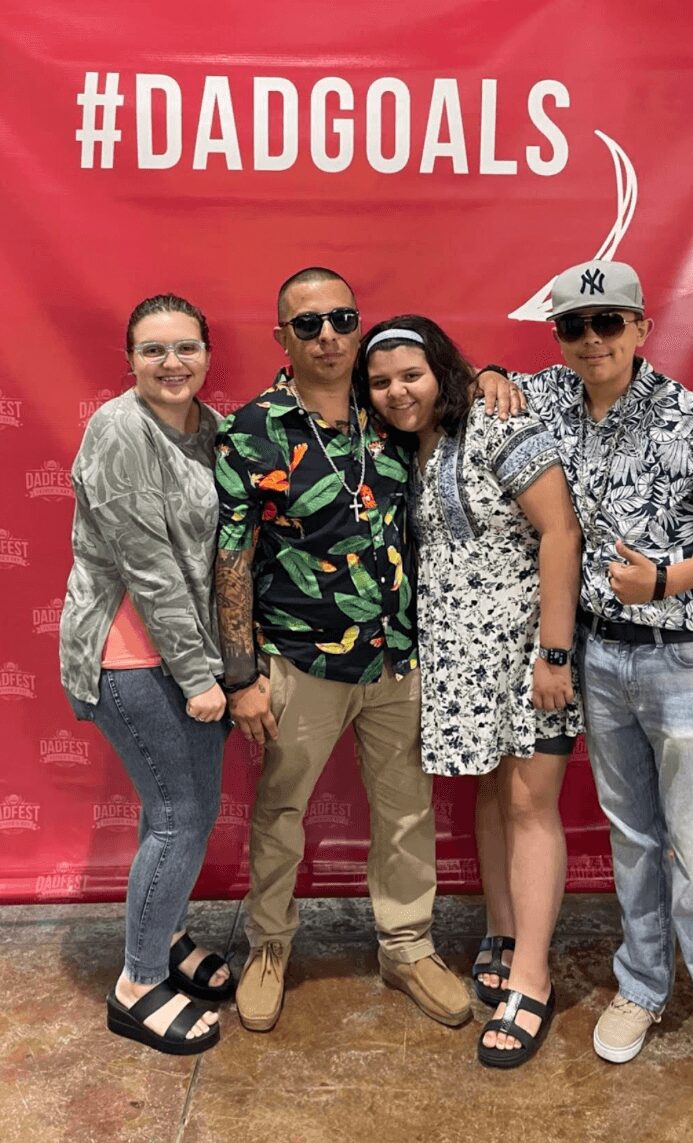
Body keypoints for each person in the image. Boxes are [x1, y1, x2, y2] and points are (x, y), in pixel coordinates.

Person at [213, 267, 519, 1034]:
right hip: (300, 659)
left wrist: (488, 373)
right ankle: (269, 946)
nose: (327, 335)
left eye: (341, 319)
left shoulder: (388, 408)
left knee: (406, 811)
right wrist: (242, 673)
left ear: (358, 326)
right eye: (307, 324)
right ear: (281, 337)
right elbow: (231, 557)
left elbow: (449, 386)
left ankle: (406, 946)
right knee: (281, 809)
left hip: (397, 654)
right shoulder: (253, 430)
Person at [514, 260, 693, 1112]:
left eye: (607, 322)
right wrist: (483, 376)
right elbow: (480, 381)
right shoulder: (550, 399)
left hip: (684, 656)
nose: (590, 339)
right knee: (631, 834)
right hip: (600, 657)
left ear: (639, 327)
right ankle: (641, 982)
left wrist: (667, 578)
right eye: (573, 325)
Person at [358, 315, 583, 1069]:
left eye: (411, 375)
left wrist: (553, 653)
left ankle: (531, 978)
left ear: (440, 371)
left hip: (527, 652)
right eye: (381, 381)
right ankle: (503, 928)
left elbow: (560, 531)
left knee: (528, 804)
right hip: (459, 661)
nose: (397, 391)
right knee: (492, 793)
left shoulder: (495, 422)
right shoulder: (400, 448)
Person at [60, 294, 234, 1056]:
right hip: (129, 656)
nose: (172, 362)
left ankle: (163, 934)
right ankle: (138, 985)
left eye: (186, 347)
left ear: (207, 353)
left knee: (179, 810)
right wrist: (200, 676)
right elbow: (151, 566)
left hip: (189, 653)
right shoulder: (118, 427)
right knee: (179, 816)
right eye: (153, 349)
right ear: (129, 359)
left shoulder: (211, 429)